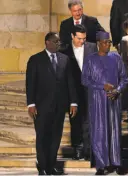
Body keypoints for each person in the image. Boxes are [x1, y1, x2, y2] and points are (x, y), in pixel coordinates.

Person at [26, 32, 77, 175]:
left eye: (59, 41)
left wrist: (73, 102)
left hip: (60, 106)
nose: (58, 44)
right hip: (41, 107)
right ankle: (42, 166)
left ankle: (51, 165)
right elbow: (30, 83)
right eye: (56, 41)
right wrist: (31, 104)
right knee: (42, 136)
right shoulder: (35, 60)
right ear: (47, 42)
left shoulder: (65, 59)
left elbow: (70, 83)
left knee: (56, 136)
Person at [81, 31, 128, 175]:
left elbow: (124, 78)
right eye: (105, 42)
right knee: (99, 130)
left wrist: (117, 90)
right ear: (98, 43)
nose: (107, 45)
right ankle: (101, 164)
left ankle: (116, 162)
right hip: (97, 101)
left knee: (114, 130)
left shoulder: (116, 57)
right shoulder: (90, 59)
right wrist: (102, 86)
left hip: (113, 99)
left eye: (109, 42)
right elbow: (85, 80)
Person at [60, 24, 97, 160]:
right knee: (75, 120)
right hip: (72, 90)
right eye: (79, 38)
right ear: (72, 36)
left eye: (84, 38)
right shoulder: (64, 50)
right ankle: (78, 148)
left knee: (89, 120)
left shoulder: (92, 47)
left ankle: (88, 150)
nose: (82, 41)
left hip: (89, 89)